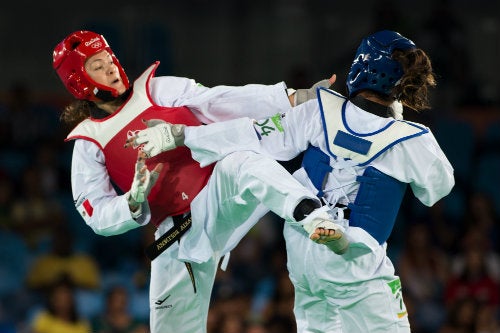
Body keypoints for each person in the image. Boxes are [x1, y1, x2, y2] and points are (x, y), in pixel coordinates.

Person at [132, 30, 455, 332]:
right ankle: (334, 229)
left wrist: (181, 135)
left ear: (360, 66)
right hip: (356, 262)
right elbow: (436, 191)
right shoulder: (412, 140)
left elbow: (252, 134)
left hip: (302, 251)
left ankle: (316, 217)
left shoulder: (321, 110)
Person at [52, 30, 347, 333]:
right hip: (177, 234)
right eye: (97, 66)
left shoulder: (158, 89)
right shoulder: (89, 143)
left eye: (109, 59)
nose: (111, 68)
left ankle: (311, 215)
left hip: (217, 193)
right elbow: (95, 213)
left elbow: (222, 99)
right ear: (79, 82)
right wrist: (132, 201)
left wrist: (292, 97)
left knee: (241, 162)